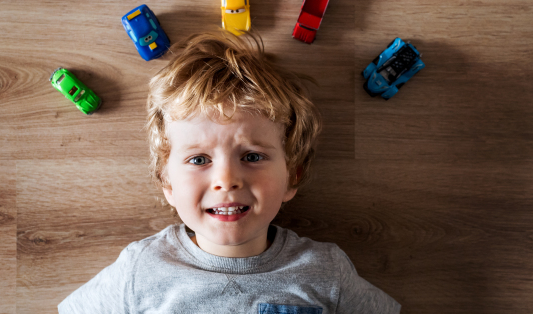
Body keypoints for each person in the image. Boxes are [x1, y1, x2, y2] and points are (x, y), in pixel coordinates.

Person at [58, 32, 401, 313]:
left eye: (252, 156)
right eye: (198, 160)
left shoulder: (326, 270)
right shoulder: (141, 268)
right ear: (167, 183)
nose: (227, 179)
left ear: (293, 176)